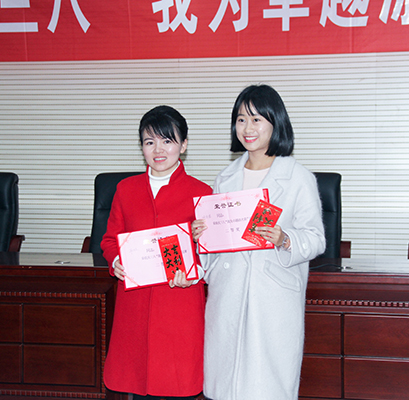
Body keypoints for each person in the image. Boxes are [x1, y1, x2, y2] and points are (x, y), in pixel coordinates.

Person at [192, 84, 326, 400]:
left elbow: (316, 239)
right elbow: (214, 247)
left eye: (256, 119)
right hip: (228, 292)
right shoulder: (225, 178)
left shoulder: (298, 177)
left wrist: (285, 237)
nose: (247, 128)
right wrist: (202, 236)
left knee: (267, 385)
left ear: (275, 123)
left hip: (273, 295)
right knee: (226, 382)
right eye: (241, 119)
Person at [101, 105, 212, 400]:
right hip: (135, 304)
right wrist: (116, 261)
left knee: (177, 384)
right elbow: (110, 239)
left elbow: (210, 252)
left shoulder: (202, 192)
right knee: (137, 385)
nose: (158, 150)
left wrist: (195, 274)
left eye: (167, 140)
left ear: (183, 145)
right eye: (149, 142)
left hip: (179, 303)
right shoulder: (126, 189)